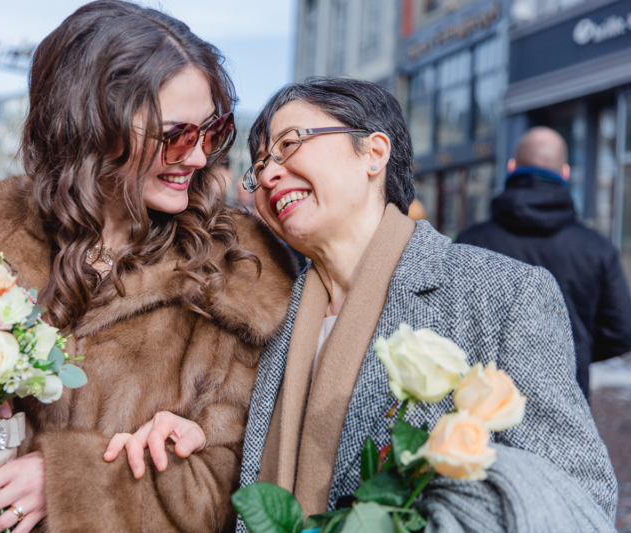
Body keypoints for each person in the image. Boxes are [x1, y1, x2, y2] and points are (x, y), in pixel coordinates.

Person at [120, 78, 618, 531]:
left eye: (289, 144)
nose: (269, 173)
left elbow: (579, 494)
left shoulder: (500, 293)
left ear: (373, 152)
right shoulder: (266, 314)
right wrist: (198, 437)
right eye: (259, 166)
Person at [0, 2, 296, 532]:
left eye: (211, 132)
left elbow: (224, 488)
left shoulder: (236, 273)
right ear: (93, 126)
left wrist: (71, 481)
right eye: (176, 136)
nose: (197, 158)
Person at [458, 126, 631, 400]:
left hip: (484, 401)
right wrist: (577, 351)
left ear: (512, 167)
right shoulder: (597, 248)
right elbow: (620, 332)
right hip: (566, 396)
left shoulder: (471, 240)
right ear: (565, 173)